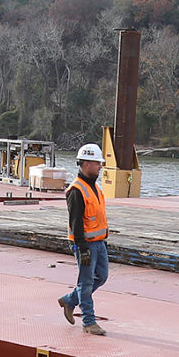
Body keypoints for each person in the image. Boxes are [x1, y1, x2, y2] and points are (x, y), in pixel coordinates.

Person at [57, 142, 110, 336]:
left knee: (102, 276)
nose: (100, 167)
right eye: (97, 163)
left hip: (99, 242)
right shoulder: (76, 190)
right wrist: (82, 247)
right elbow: (76, 222)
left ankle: (70, 300)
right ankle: (88, 322)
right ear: (86, 164)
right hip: (85, 245)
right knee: (86, 283)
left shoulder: (94, 187)